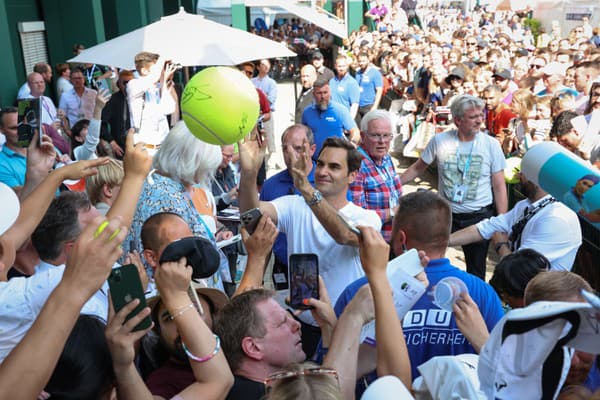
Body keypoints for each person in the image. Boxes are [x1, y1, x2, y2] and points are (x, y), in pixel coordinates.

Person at [335, 190, 504, 380]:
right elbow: (505, 373)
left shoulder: (360, 294)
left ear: (401, 239)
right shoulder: (482, 293)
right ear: (446, 238)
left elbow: (331, 375)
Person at [239, 134, 380, 356]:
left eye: (334, 167)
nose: (323, 171)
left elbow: (343, 235)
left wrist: (306, 188)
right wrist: (248, 175)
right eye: (321, 163)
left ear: (352, 176)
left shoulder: (367, 218)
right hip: (300, 325)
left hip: (345, 327)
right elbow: (251, 216)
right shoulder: (294, 205)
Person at [401, 94, 507, 279]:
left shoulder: (491, 144)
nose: (479, 120)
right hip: (445, 214)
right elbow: (417, 168)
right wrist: (392, 185)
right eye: (473, 117)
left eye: (480, 115)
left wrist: (503, 220)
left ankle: (473, 304)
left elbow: (499, 185)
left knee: (476, 270)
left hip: (479, 216)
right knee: (429, 259)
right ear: (458, 120)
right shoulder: (439, 141)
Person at [105, 256, 234, 400]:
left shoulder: (235, 356)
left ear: (214, 315)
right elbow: (218, 380)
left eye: (193, 310)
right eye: (169, 318)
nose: (181, 323)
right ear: (158, 330)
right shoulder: (161, 384)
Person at [123, 121, 227, 289]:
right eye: (202, 170)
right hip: (169, 296)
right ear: (191, 164)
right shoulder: (168, 197)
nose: (201, 179)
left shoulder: (152, 182)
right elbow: (184, 261)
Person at [449, 165, 581, 272]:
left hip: (541, 299)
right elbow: (485, 228)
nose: (518, 176)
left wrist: (501, 245)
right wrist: (443, 242)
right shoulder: (525, 205)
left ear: (536, 179)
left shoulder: (556, 218)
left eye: (522, 173)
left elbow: (519, 268)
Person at [259, 124, 316, 283]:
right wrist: (257, 279)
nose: (290, 155)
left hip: (320, 268)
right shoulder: (270, 186)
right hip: (283, 267)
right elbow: (262, 235)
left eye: (298, 148)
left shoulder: (326, 181)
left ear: (312, 149)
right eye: (285, 149)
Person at [349, 110, 402, 242]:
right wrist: (394, 211)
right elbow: (358, 216)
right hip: (373, 243)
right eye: (376, 135)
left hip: (393, 239)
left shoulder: (386, 158)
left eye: (387, 135)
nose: (382, 141)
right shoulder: (357, 164)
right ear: (362, 135)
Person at [127, 52, 177, 152]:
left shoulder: (157, 87)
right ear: (144, 71)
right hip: (145, 148)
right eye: (157, 68)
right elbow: (153, 78)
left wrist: (164, 81)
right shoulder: (133, 85)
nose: (160, 71)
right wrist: (162, 60)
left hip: (162, 148)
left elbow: (169, 109)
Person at [301, 79, 360, 158]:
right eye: (319, 93)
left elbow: (355, 131)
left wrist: (352, 143)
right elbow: (302, 135)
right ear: (313, 94)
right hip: (314, 161)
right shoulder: (307, 112)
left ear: (330, 93)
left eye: (325, 92)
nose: (323, 97)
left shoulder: (340, 110)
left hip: (336, 159)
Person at [101, 69, 134, 158]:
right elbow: (101, 123)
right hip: (121, 147)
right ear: (119, 85)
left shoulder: (142, 98)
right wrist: (112, 142)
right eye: (125, 83)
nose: (128, 86)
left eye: (131, 83)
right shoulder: (113, 100)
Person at [355, 53, 384, 124]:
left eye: (363, 61)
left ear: (368, 60)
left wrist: (375, 106)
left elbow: (379, 90)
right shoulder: (357, 73)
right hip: (358, 105)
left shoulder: (375, 73)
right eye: (360, 61)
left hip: (369, 105)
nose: (361, 63)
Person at [329, 55, 360, 119]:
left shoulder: (352, 82)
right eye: (339, 66)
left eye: (344, 66)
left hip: (345, 118)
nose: (341, 68)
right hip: (332, 117)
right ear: (335, 66)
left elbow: (354, 105)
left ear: (347, 66)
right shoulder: (332, 81)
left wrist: (349, 123)